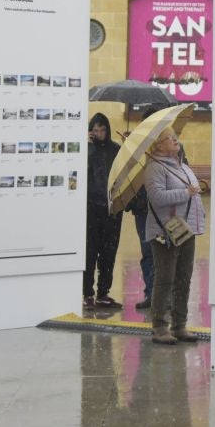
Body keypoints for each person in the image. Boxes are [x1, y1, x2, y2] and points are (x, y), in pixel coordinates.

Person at [144, 125, 206, 344]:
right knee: (165, 279)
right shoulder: (155, 168)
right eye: (168, 138)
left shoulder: (182, 166)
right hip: (165, 231)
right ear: (158, 145)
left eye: (175, 137)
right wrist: (185, 192)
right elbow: (157, 197)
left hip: (185, 230)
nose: (174, 140)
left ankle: (179, 325)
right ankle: (160, 327)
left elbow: (192, 196)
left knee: (184, 278)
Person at [83, 112, 123, 309]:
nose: (99, 133)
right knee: (90, 252)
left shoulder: (116, 149)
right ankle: (87, 293)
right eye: (95, 130)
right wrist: (87, 146)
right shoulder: (86, 150)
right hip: (90, 208)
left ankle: (103, 293)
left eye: (102, 129)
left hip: (111, 209)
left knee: (109, 252)